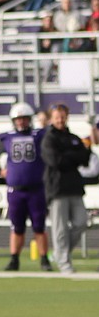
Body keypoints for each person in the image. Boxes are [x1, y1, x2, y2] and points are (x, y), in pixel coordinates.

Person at [0, 102, 53, 272]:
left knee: (39, 227)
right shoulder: (7, 137)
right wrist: (0, 170)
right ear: (13, 121)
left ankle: (44, 260)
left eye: (24, 119)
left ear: (29, 119)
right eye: (18, 119)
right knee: (16, 227)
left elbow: (50, 132)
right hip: (15, 190)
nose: (21, 122)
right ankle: (14, 259)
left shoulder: (38, 134)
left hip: (36, 188)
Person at [41, 104, 93, 274]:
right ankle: (64, 263)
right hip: (57, 187)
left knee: (81, 222)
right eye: (57, 117)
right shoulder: (49, 138)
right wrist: (73, 156)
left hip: (74, 186)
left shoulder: (73, 138)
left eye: (63, 116)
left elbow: (84, 158)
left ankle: (59, 253)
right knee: (60, 228)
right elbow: (56, 161)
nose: (60, 120)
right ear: (51, 118)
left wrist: (69, 155)